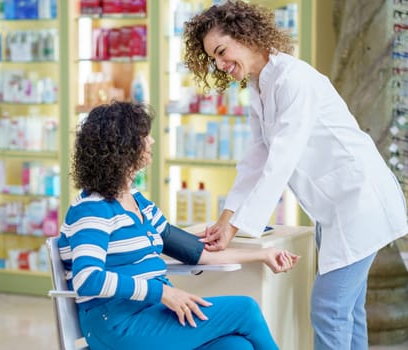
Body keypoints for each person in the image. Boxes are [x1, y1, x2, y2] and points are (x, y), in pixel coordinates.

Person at [182, 1, 408, 349]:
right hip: (335, 210)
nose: (220, 64)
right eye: (213, 59)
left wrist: (237, 226)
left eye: (222, 51)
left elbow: (280, 162)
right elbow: (256, 160)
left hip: (359, 202)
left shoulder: (293, 79)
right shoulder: (260, 87)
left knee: (330, 310)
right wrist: (226, 219)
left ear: (246, 36)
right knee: (349, 312)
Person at [59, 101, 299, 350]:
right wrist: (162, 293)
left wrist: (264, 255)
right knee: (246, 309)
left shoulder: (140, 204)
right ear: (123, 147)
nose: (151, 141)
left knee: (236, 347)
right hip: (116, 324)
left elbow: (196, 252)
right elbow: (88, 279)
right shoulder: (92, 208)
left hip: (152, 313)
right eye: (144, 136)